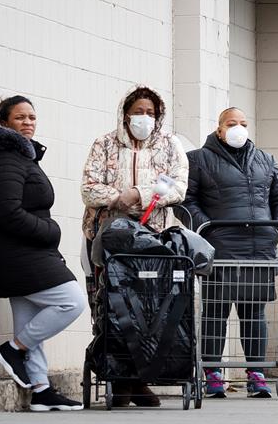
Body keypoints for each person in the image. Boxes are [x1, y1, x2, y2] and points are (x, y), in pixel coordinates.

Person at [81, 85, 188, 406]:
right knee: (110, 306)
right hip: (107, 236)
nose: (144, 118)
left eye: (150, 113)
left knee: (147, 309)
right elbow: (89, 187)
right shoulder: (104, 143)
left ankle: (139, 380)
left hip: (151, 238)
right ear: (125, 114)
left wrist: (140, 195)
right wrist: (118, 198)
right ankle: (117, 376)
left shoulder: (170, 145)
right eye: (138, 112)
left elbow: (178, 185)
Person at [0, 96, 86, 411]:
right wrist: (51, 232)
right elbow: (9, 212)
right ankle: (14, 349)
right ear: (4, 124)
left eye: (31, 117)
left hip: (23, 252)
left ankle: (40, 390)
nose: (27, 123)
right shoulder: (6, 160)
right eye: (19, 118)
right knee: (72, 301)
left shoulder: (21, 158)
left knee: (29, 318)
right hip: (17, 254)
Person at [183, 107, 278, 398]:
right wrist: (207, 230)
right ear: (219, 129)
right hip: (220, 250)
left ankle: (256, 374)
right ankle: (212, 374)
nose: (238, 128)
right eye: (232, 123)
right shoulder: (198, 160)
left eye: (243, 123)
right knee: (215, 314)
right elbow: (187, 202)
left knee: (254, 314)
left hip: (259, 249)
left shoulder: (265, 160)